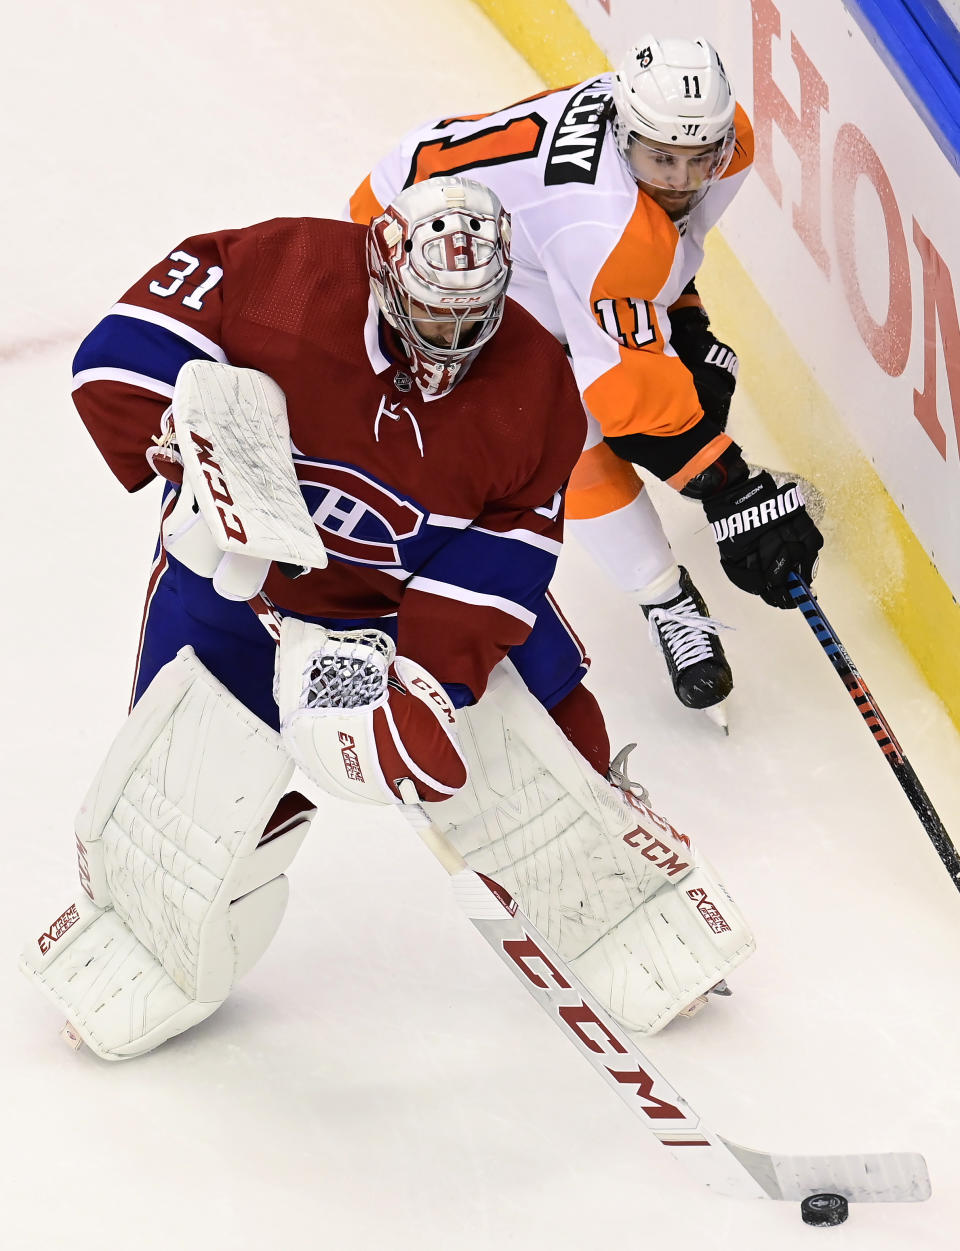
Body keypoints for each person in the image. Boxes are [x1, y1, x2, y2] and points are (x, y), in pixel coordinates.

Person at [20, 175, 756, 1061]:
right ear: (381, 270)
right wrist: (181, 445)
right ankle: (144, 936)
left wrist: (428, 685)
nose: (451, 339)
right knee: (182, 798)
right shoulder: (284, 270)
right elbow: (120, 349)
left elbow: (505, 560)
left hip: (413, 599)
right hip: (236, 588)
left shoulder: (533, 389)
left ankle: (629, 897)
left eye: (470, 317)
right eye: (432, 312)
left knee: (553, 761)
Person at [350, 34, 824, 723]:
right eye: (661, 159)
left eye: (699, 160)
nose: (681, 179)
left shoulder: (713, 140)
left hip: (494, 205)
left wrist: (682, 328)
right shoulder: (600, 227)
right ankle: (667, 598)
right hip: (420, 237)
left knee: (656, 390)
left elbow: (657, 252)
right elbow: (628, 405)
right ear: (623, 132)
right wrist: (732, 492)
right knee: (559, 428)